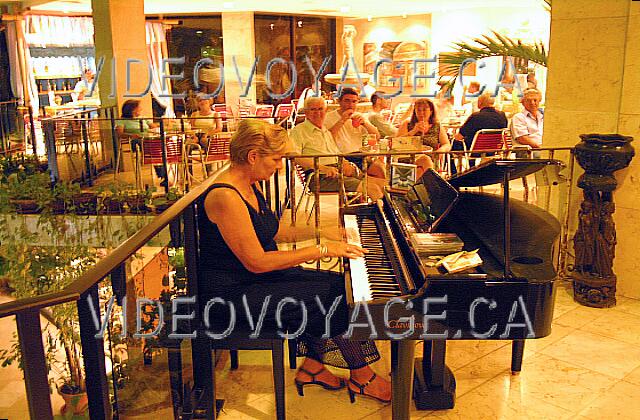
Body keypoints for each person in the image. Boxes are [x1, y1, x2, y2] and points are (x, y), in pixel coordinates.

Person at [198, 118, 391, 403]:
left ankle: (312, 368)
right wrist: (323, 249)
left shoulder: (248, 183)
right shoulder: (226, 196)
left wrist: (322, 231)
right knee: (333, 297)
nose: (279, 166)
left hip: (254, 280)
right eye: (276, 159)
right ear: (253, 156)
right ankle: (363, 378)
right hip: (231, 295)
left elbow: (274, 230)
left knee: (339, 284)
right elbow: (258, 262)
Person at [290, 97, 385, 200]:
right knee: (373, 189)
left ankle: (380, 214)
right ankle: (378, 214)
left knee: (384, 185)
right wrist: (323, 168)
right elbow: (294, 157)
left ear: (325, 111)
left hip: (338, 170)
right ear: (306, 112)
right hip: (320, 176)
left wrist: (345, 163)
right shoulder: (299, 131)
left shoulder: (324, 130)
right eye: (313, 109)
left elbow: (335, 152)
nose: (317, 113)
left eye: (320, 109)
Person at [325, 88, 385, 178]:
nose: (350, 105)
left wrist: (365, 124)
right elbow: (327, 139)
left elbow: (377, 136)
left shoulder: (360, 116)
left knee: (380, 170)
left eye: (354, 101)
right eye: (347, 101)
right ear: (339, 102)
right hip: (342, 157)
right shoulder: (329, 117)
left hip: (361, 156)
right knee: (365, 179)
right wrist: (342, 120)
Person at [397, 98, 451, 175]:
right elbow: (397, 143)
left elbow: (446, 144)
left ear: (431, 111)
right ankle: (431, 184)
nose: (421, 113)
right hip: (409, 159)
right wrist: (414, 131)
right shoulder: (407, 124)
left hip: (430, 159)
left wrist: (441, 150)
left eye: (424, 110)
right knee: (424, 161)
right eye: (418, 110)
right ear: (415, 112)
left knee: (423, 165)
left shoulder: (436, 126)